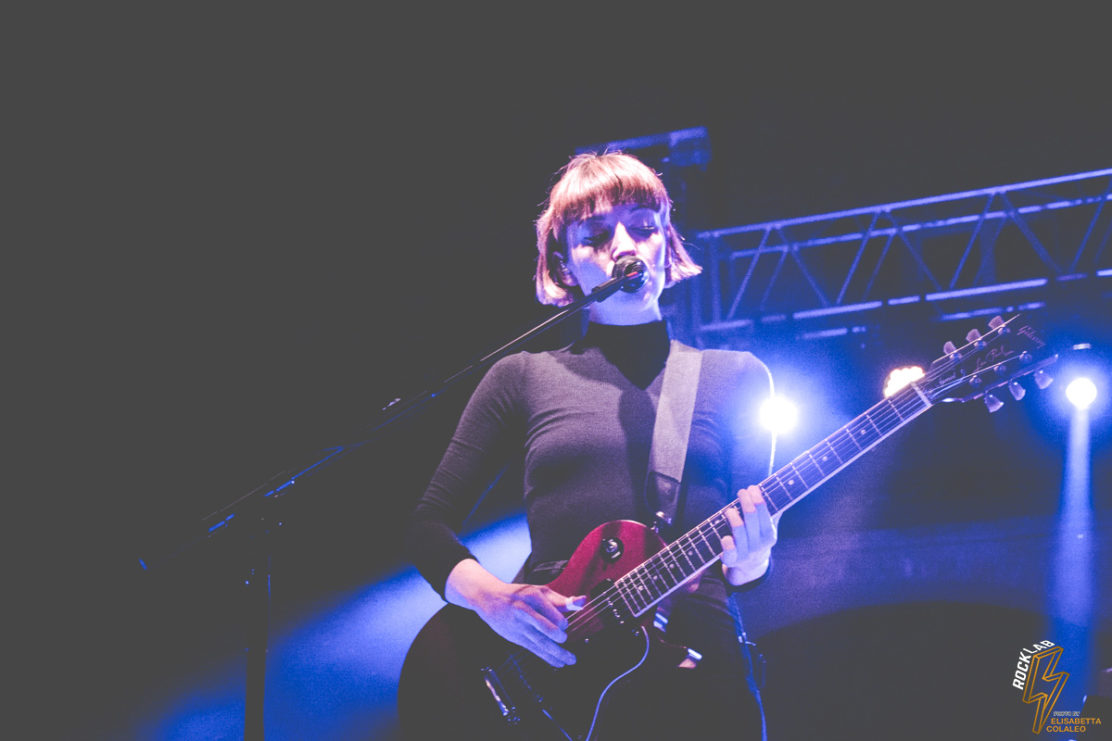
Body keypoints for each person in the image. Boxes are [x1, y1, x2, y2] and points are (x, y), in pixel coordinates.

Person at [404, 151, 778, 739]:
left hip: (700, 674)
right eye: (596, 235)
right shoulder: (522, 377)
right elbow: (428, 526)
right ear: (565, 264)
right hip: (556, 667)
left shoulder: (737, 377)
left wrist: (753, 560)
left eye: (644, 227)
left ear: (666, 244)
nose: (624, 245)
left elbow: (746, 571)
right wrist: (493, 599)